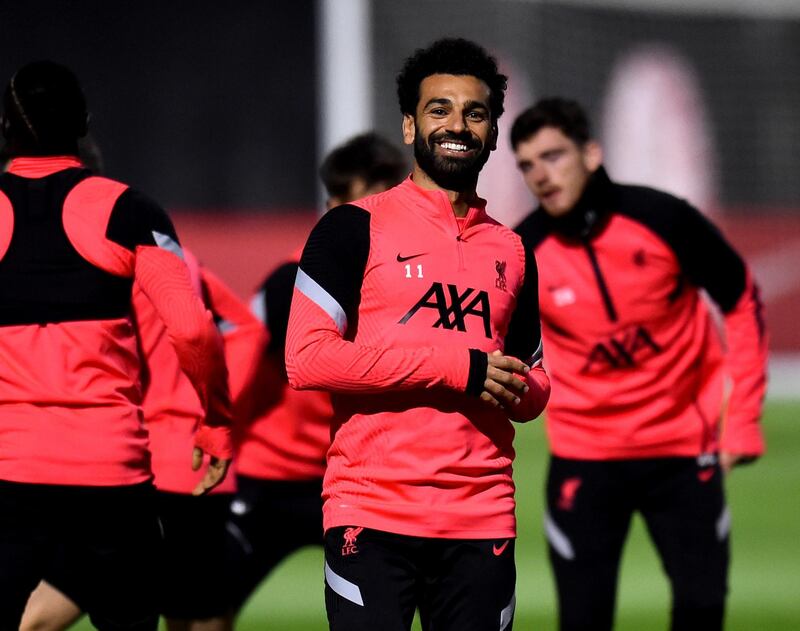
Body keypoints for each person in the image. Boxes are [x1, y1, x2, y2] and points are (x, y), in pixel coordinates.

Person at [285, 38, 551, 631]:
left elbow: (535, 383)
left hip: (481, 520)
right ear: (410, 126)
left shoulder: (513, 250)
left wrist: (517, 388)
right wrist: (459, 367)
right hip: (370, 514)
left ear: (491, 133)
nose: (456, 125)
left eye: (474, 113)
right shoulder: (349, 229)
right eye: (439, 110)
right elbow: (306, 360)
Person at [510, 97, 768, 631]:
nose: (541, 175)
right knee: (583, 620)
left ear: (592, 152)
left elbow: (742, 300)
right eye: (528, 165)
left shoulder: (663, 218)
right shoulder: (521, 250)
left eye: (554, 156)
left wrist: (740, 422)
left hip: (681, 450)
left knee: (701, 612)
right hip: (585, 457)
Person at [0, 60, 232, 630]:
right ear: (83, 122)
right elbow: (194, 329)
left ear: (6, 129)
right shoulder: (130, 210)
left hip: (8, 473)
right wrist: (216, 418)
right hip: (109, 477)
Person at [20, 253, 259, 631]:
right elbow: (249, 329)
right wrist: (215, 408)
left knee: (45, 607)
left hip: (128, 460)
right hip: (188, 467)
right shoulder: (182, 261)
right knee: (194, 615)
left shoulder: (103, 265)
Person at [223, 132, 407, 619]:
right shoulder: (292, 283)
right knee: (205, 608)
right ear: (333, 205)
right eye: (366, 200)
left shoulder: (408, 283)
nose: (382, 213)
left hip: (356, 482)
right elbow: (235, 368)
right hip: (271, 479)